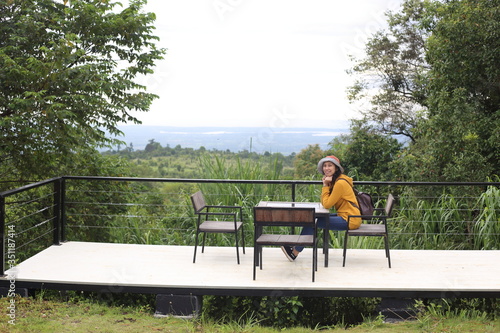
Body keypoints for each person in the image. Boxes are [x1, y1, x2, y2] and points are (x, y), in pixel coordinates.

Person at [281, 155, 361, 261]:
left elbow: (327, 205)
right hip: (348, 216)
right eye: (325, 166)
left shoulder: (340, 183)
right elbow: (325, 203)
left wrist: (325, 186)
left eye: (330, 166)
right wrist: (327, 184)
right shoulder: (338, 181)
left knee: (312, 222)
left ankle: (294, 252)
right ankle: (295, 248)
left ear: (336, 168)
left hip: (350, 219)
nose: (326, 168)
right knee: (313, 219)